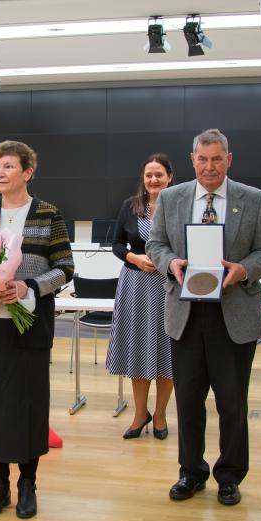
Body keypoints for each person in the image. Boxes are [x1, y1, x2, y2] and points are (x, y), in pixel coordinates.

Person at [146, 129, 261, 507]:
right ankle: (191, 472)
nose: (209, 166)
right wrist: (170, 263)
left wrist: (244, 270)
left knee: (232, 403)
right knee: (187, 400)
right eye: (202, 159)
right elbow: (156, 245)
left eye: (217, 159)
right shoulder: (171, 198)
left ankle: (230, 475)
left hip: (232, 314)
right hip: (186, 315)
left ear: (229, 160)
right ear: (192, 161)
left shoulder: (253, 200)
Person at [0, 140, 74, 519]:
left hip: (30, 326)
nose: (0, 173)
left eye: (8, 167)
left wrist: (28, 287)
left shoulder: (48, 215)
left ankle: (28, 484)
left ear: (27, 172)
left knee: (28, 406)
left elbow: (65, 269)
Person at [104, 154, 176, 440]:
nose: (154, 180)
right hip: (135, 285)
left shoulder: (178, 206)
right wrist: (133, 257)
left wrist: (166, 260)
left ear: (170, 176)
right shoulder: (130, 206)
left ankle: (159, 416)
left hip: (168, 287)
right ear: (143, 179)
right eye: (149, 175)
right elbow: (117, 244)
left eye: (159, 174)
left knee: (166, 352)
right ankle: (138, 414)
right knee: (138, 350)